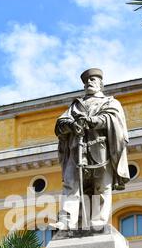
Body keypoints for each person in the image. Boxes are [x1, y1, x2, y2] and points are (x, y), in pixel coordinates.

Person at [53, 68, 130, 230]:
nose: (89, 82)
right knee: (70, 185)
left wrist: (92, 121)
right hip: (76, 151)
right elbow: (60, 124)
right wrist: (71, 125)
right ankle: (67, 221)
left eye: (93, 80)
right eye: (86, 81)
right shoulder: (75, 106)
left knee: (101, 187)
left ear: (101, 84)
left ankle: (98, 221)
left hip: (100, 151)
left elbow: (113, 119)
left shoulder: (110, 102)